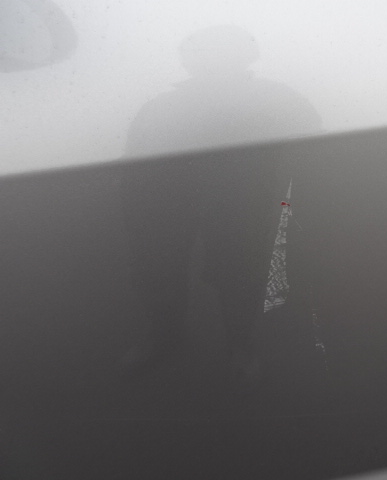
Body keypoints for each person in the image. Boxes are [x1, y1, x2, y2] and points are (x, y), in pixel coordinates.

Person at [119, 25, 322, 385]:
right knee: (160, 271)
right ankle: (167, 338)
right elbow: (135, 158)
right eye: (203, 54)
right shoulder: (162, 106)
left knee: (238, 273)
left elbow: (311, 140)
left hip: (242, 199)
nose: (211, 61)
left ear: (244, 56)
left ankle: (239, 345)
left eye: (221, 53)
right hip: (170, 203)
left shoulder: (276, 98)